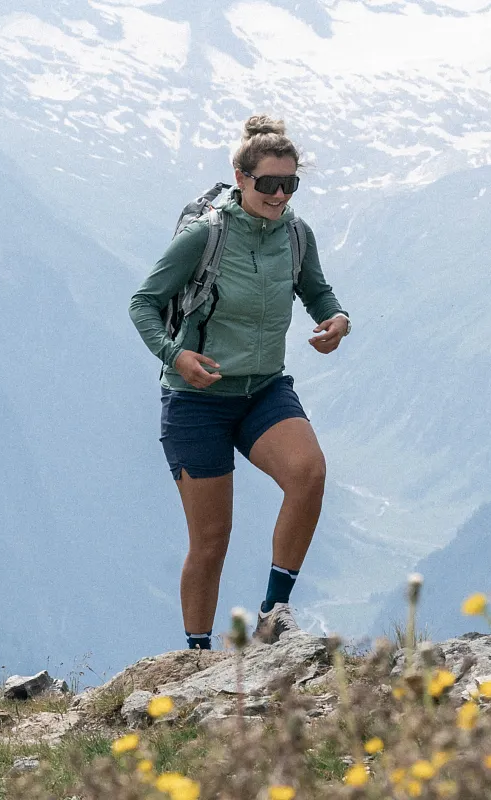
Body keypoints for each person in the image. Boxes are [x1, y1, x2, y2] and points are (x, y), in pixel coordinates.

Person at [128, 114, 351, 649]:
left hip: (263, 390)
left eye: (289, 184)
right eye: (268, 183)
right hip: (196, 400)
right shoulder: (205, 237)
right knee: (211, 541)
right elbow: (143, 304)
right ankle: (198, 657)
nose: (279, 195)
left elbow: (316, 291)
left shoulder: (296, 234)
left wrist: (337, 319)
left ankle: (274, 612)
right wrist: (175, 356)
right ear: (240, 176)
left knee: (309, 474)